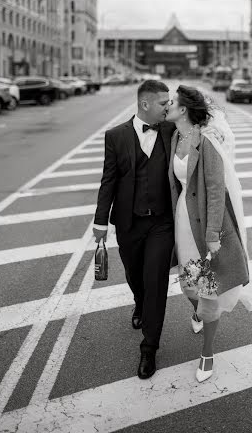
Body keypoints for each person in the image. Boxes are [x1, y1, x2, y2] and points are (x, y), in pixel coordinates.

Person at [166, 85, 252, 383]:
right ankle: (198, 312)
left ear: (183, 110)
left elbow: (215, 191)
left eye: (171, 102)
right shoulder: (175, 136)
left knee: (207, 290)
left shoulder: (206, 141)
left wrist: (213, 234)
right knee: (188, 285)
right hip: (181, 221)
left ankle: (207, 353)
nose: (167, 105)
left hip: (204, 225)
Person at [93, 79, 175, 380]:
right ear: (145, 104)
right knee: (134, 274)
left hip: (162, 223)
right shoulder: (115, 136)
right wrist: (100, 221)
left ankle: (149, 347)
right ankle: (139, 301)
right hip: (128, 222)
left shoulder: (172, 130)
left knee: (156, 280)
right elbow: (109, 181)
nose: (168, 106)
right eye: (164, 102)